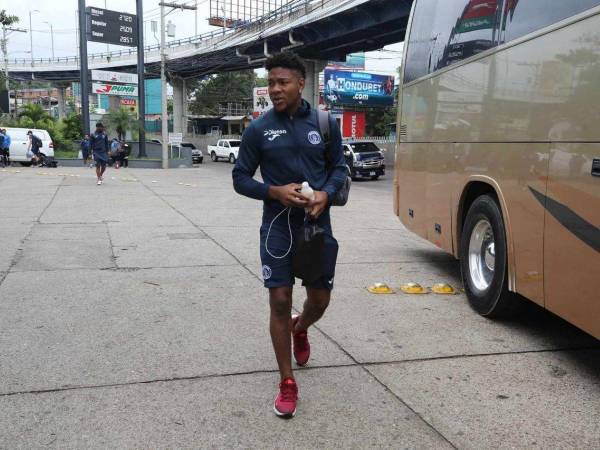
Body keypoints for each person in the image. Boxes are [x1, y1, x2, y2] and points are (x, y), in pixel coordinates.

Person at [232, 53, 347, 419]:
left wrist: (326, 194)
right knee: (280, 300)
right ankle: (287, 381)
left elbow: (339, 168)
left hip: (316, 226)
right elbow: (240, 177)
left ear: (301, 83)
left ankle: (302, 328)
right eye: (271, 83)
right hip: (277, 227)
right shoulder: (258, 129)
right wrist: (274, 191)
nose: (275, 89)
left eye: (282, 82)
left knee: (320, 301)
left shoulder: (325, 124)